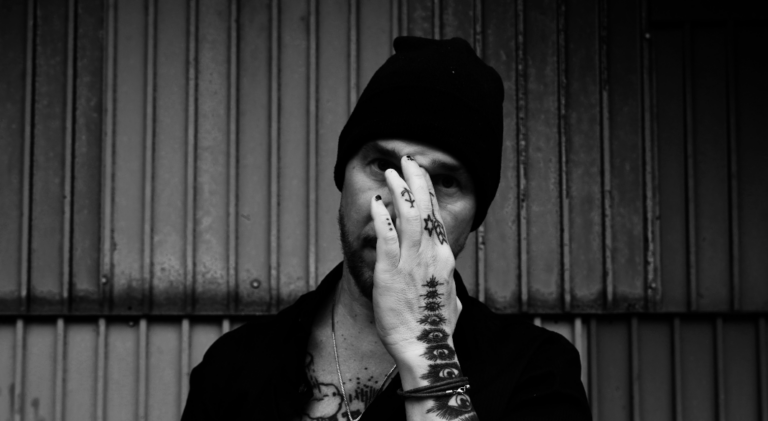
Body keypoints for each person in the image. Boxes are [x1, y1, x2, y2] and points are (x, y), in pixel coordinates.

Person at [180, 36, 592, 421]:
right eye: (383, 166)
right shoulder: (235, 366)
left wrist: (428, 350)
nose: (403, 206)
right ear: (343, 177)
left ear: (475, 216)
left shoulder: (536, 371)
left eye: (444, 182)